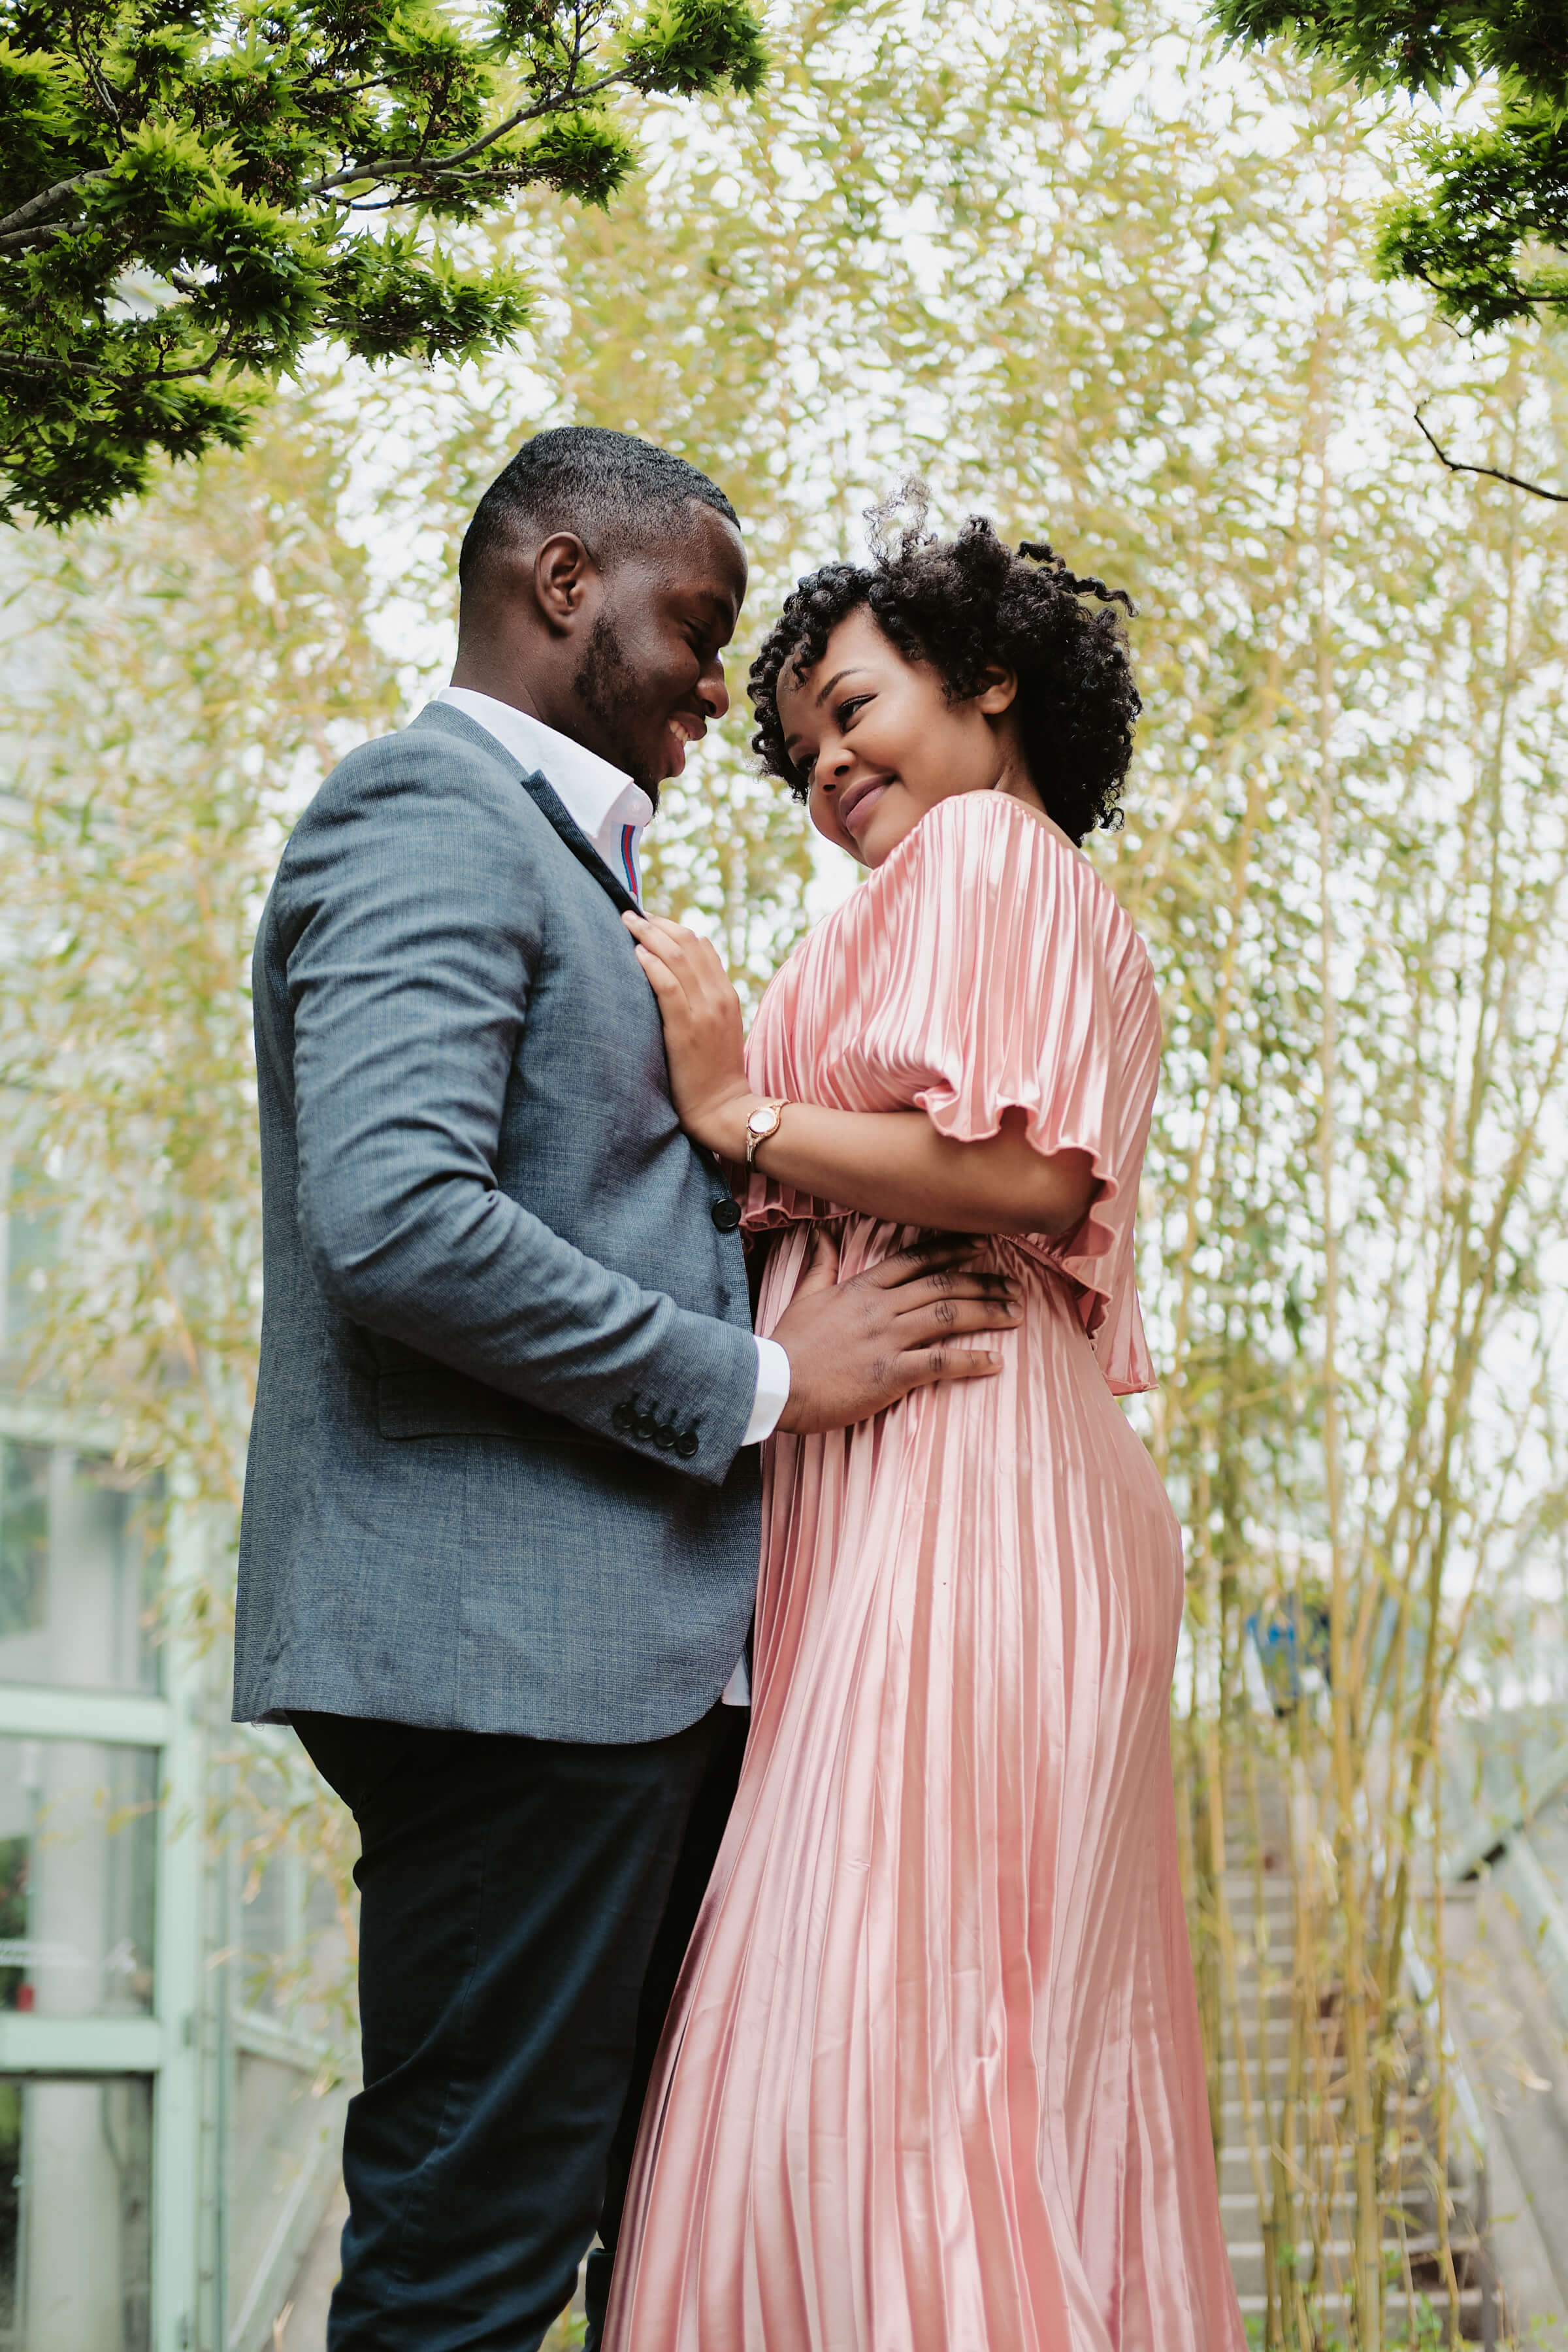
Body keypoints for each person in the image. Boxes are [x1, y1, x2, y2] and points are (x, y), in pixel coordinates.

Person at [231, 432, 1022, 2352]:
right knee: (473, 2260)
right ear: (567, 582)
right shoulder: (421, 814)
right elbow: (400, 1222)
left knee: (608, 2245)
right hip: (512, 1666)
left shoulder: (576, 867)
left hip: (605, 1673)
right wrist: (761, 1378)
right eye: (704, 626)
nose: (719, 689)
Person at [605, 497, 1247, 2350]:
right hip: (939, 1472)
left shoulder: (983, 857)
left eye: (855, 708)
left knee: (900, 2029)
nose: (826, 770)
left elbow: (1032, 1171)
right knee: (947, 2032)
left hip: (965, 1479)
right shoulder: (966, 887)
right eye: (798, 755)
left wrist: (740, 1118)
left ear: (990, 680)